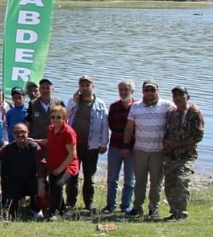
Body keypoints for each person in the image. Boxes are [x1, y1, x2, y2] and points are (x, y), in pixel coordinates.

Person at [123, 80, 175, 219]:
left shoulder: (167, 106)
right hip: (140, 150)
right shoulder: (135, 106)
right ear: (143, 91)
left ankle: (153, 209)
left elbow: (179, 116)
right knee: (139, 181)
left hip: (158, 151)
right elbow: (129, 128)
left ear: (157, 90)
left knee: (156, 183)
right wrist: (126, 146)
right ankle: (137, 207)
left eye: (153, 90)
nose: (150, 93)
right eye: (147, 90)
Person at [0, 123, 47, 220]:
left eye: (23, 132)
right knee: (9, 212)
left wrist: (41, 183)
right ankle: (14, 208)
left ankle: (36, 209)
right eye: (16, 132)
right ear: (13, 135)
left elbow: (41, 168)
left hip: (31, 182)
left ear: (28, 133)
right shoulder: (9, 147)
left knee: (43, 186)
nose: (20, 134)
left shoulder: (35, 148)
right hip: (14, 183)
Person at [64, 75, 109, 213]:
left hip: (92, 146)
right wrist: (73, 102)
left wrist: (104, 143)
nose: (84, 88)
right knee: (72, 175)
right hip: (74, 146)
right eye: (82, 85)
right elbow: (64, 117)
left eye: (87, 85)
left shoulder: (100, 104)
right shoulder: (73, 102)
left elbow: (104, 126)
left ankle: (88, 203)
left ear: (92, 87)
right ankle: (70, 203)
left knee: (89, 176)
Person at [162, 86, 204, 221]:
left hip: (186, 155)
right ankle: (174, 212)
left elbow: (198, 136)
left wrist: (178, 145)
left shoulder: (194, 112)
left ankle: (182, 213)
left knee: (181, 181)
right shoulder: (171, 112)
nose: (178, 98)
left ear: (187, 97)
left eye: (181, 95)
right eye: (175, 95)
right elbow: (167, 130)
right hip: (170, 155)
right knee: (169, 184)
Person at [103, 79, 137, 214]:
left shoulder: (137, 106)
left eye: (126, 89)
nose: (123, 92)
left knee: (129, 179)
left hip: (132, 148)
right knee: (112, 178)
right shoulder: (114, 106)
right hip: (115, 146)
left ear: (132, 91)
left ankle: (126, 206)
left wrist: (127, 144)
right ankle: (110, 205)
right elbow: (110, 124)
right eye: (121, 90)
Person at [46, 105, 78, 220]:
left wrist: (60, 169)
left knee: (58, 184)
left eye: (58, 117)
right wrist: (35, 141)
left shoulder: (69, 132)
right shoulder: (51, 129)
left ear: (64, 118)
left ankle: (56, 212)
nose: (55, 120)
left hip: (68, 166)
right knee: (52, 186)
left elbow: (72, 154)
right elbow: (49, 142)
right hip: (54, 164)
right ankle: (62, 209)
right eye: (53, 117)